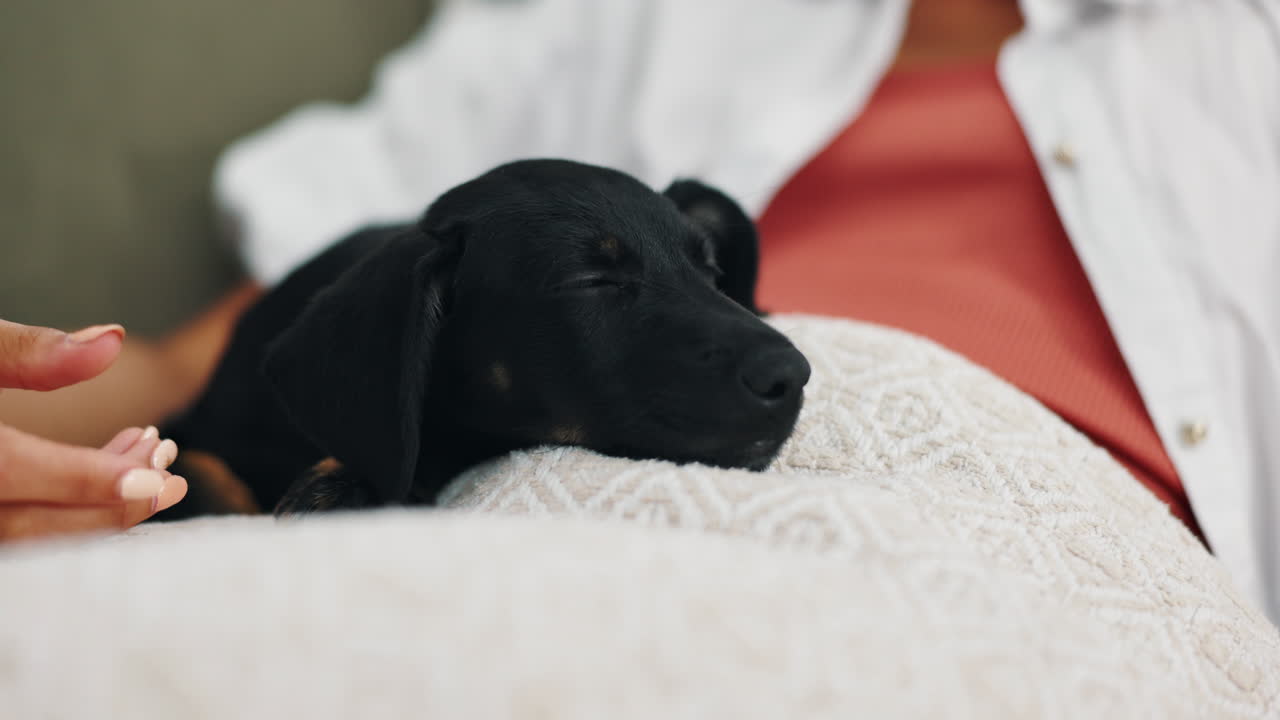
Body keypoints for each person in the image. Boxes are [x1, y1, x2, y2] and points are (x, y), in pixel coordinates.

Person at [3, 0, 1277, 623]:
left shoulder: (1231, 45)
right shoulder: (634, 11)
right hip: (535, 513)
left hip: (1061, 559)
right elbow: (218, 348)